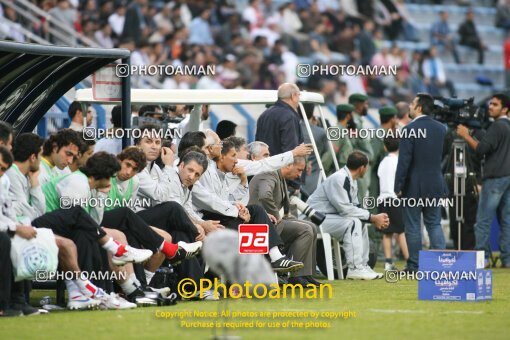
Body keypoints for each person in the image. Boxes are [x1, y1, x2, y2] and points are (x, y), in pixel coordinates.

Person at [192, 138, 304, 273]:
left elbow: (229, 200)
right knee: (254, 225)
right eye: (234, 155)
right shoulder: (204, 170)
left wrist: (243, 183)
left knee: (257, 212)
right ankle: (249, 273)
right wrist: (237, 211)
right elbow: (211, 202)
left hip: (223, 213)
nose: (237, 159)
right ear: (220, 156)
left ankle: (275, 258)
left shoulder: (226, 171)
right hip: (208, 218)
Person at [307, 151, 388, 280]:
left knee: (359, 221)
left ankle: (362, 265)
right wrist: (373, 217)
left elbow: (354, 208)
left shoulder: (351, 179)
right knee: (353, 222)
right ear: (362, 168)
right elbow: (345, 209)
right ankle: (355, 269)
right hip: (313, 219)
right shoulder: (339, 178)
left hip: (327, 217)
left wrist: (372, 218)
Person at [249, 156, 322, 287]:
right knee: (305, 230)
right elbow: (265, 195)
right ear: (288, 165)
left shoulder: (278, 176)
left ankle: (306, 275)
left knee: (311, 226)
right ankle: (297, 276)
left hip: (268, 224)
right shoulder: (269, 174)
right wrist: (276, 216)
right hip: (258, 226)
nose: (300, 174)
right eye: (299, 170)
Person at [395, 93, 448, 272]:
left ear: (419, 107)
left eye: (412, 103)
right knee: (434, 223)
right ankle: (441, 262)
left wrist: (398, 186)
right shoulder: (442, 129)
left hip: (413, 186)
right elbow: (443, 156)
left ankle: (414, 265)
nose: (409, 106)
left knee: (413, 226)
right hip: (435, 183)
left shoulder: (409, 129)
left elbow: (404, 161)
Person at [456, 93, 510, 267]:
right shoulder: (507, 127)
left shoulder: (498, 127)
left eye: (495, 104)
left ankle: (483, 258)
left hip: (494, 178)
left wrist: (465, 135)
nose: (490, 106)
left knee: (483, 220)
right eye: (490, 104)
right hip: (507, 177)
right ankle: (507, 258)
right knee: (506, 220)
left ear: (505, 109)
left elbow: (481, 150)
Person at [377, 137, 408, 271]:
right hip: (395, 199)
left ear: (385, 147)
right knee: (401, 231)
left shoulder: (383, 162)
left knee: (387, 233)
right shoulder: (399, 162)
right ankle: (410, 261)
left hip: (383, 199)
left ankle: (388, 263)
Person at [256, 83, 304, 157]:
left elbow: (257, 145)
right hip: (282, 166)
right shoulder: (289, 116)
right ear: (293, 95)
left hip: (264, 164)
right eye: (299, 95)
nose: (299, 99)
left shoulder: (264, 114)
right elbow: (291, 150)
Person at [348, 94, 373, 202]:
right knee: (359, 200)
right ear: (358, 105)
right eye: (365, 104)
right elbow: (351, 145)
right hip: (358, 167)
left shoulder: (359, 121)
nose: (367, 106)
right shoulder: (354, 123)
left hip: (363, 167)